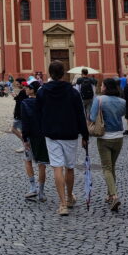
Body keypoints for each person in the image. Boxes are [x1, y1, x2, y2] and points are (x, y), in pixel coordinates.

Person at [35, 61, 89, 216]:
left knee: (57, 167)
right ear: (63, 73)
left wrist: (42, 129)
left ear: (49, 73)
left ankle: (62, 204)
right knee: (69, 167)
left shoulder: (42, 91)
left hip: (51, 134)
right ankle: (69, 198)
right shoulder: (72, 92)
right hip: (70, 133)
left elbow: (37, 113)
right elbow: (80, 115)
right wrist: (85, 135)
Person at [90, 78, 127, 211]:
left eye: (102, 85)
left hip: (105, 137)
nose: (101, 86)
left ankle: (114, 195)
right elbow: (123, 114)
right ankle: (109, 195)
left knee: (106, 168)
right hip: (119, 137)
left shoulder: (99, 100)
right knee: (112, 167)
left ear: (105, 87)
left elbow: (92, 118)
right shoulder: (123, 101)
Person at [19, 82, 49, 201]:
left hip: (31, 137)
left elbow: (24, 123)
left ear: (33, 90)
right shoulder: (44, 103)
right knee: (42, 165)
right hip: (42, 136)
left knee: (27, 161)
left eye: (28, 88)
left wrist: (24, 138)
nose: (26, 89)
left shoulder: (25, 103)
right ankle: (41, 192)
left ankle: (33, 188)